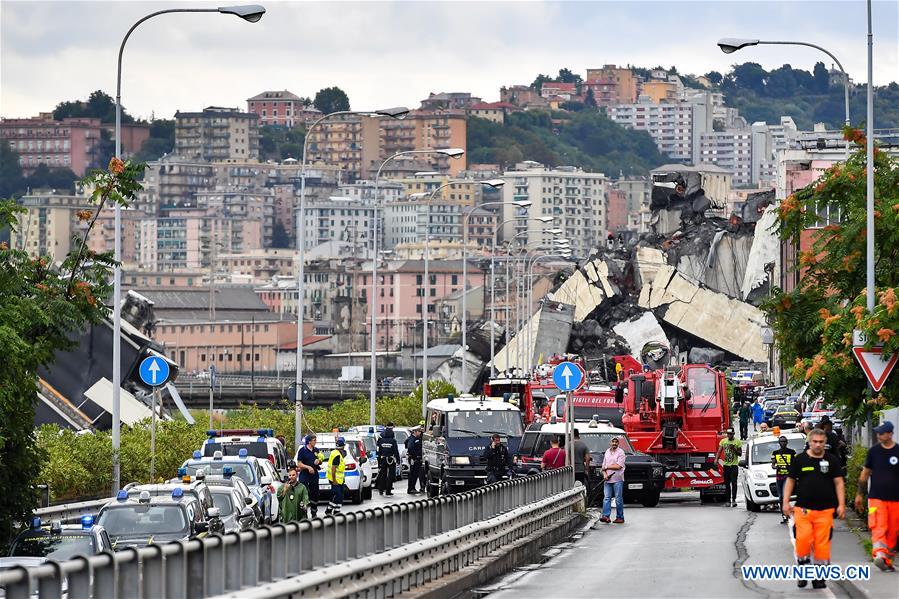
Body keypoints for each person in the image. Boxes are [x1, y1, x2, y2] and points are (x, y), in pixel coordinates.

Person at [782, 428, 846, 590]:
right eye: (815, 442)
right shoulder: (800, 460)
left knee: (821, 545)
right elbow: (790, 481)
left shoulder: (832, 460)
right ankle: (803, 572)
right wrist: (785, 502)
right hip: (803, 510)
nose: (818, 445)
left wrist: (841, 504)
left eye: (821, 442)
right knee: (803, 540)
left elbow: (839, 482)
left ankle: (819, 577)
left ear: (825, 443)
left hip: (825, 511)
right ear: (809, 442)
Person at [854, 421, 899, 572]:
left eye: (882, 433)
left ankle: (889, 559)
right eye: (878, 433)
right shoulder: (874, 452)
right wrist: (859, 494)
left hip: (896, 500)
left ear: (890, 434)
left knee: (893, 531)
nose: (878, 435)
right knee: (879, 526)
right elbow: (865, 473)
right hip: (876, 498)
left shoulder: (898, 451)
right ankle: (879, 554)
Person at [599, 436, 627, 524]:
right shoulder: (607, 452)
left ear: (618, 443)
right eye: (613, 442)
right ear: (610, 442)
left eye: (616, 442)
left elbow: (619, 466)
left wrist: (607, 467)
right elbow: (603, 466)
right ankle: (606, 516)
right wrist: (605, 474)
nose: (614, 443)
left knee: (618, 498)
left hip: (617, 479)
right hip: (607, 479)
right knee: (607, 498)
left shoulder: (621, 452)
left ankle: (620, 517)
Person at [296, 434, 324, 518]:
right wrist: (308, 467)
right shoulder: (302, 450)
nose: (315, 442)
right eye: (314, 440)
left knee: (314, 494)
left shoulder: (316, 450)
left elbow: (321, 460)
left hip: (314, 475)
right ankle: (304, 513)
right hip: (304, 475)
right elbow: (299, 463)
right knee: (304, 493)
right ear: (309, 441)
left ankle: (314, 512)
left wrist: (318, 461)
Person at [771, 435, 796, 523]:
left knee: (786, 495)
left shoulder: (792, 452)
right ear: (779, 443)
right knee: (780, 497)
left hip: (788, 477)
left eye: (784, 441)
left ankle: (787, 514)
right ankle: (784, 515)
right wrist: (775, 466)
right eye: (781, 441)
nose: (783, 443)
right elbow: (773, 465)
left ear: (787, 442)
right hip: (779, 477)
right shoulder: (775, 453)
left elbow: (795, 464)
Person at [325, 437, 348, 516]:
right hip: (335, 479)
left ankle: (337, 510)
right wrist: (334, 480)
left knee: (340, 495)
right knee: (337, 495)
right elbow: (334, 468)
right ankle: (329, 509)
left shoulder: (335, 452)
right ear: (343, 447)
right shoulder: (337, 455)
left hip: (339, 479)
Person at [719, 428, 742, 507]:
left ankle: (734, 500)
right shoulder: (723, 441)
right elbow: (719, 450)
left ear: (733, 434)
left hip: (734, 465)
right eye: (728, 434)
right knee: (727, 484)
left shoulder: (737, 442)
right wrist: (716, 459)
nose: (729, 435)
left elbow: (740, 454)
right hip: (726, 465)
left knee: (734, 483)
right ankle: (728, 500)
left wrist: (734, 449)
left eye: (730, 434)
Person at [376, 426, 400, 496]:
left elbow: (379, 451)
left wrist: (379, 460)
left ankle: (381, 490)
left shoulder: (381, 441)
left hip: (383, 459)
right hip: (391, 459)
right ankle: (388, 490)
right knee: (390, 475)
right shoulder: (393, 441)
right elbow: (396, 451)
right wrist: (398, 459)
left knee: (382, 475)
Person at [406, 427, 424, 494]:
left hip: (415, 458)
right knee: (413, 474)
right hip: (414, 459)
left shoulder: (415, 438)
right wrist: (415, 456)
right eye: (419, 431)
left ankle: (412, 488)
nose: (420, 433)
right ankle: (411, 488)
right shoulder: (412, 439)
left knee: (415, 474)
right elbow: (410, 447)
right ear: (415, 432)